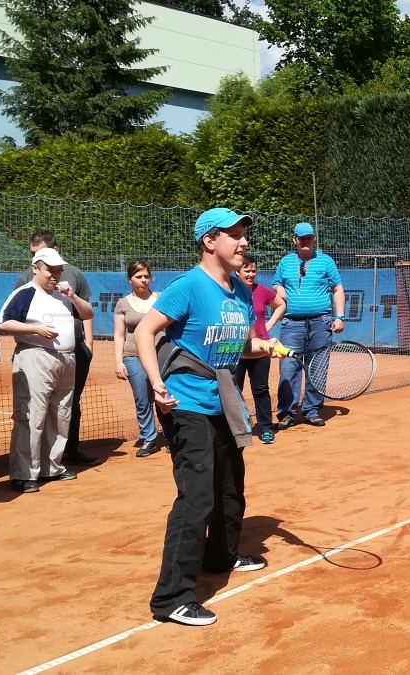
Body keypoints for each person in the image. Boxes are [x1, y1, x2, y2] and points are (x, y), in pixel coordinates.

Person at [134, 208, 287, 627]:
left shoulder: (240, 292)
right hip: (185, 404)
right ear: (209, 241)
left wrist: (265, 346)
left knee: (230, 487)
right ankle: (171, 597)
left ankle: (221, 555)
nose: (243, 242)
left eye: (244, 235)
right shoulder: (188, 286)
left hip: (223, 401)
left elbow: (238, 347)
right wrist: (156, 382)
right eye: (233, 235)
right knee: (197, 496)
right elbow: (144, 332)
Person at [0, 248, 95, 493]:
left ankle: (51, 468)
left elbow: (88, 313)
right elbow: (2, 323)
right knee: (32, 416)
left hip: (66, 359)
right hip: (35, 357)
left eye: (58, 270)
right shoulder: (25, 293)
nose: (55, 275)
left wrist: (73, 297)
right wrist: (36, 329)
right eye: (49, 270)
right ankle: (23, 474)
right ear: (35, 269)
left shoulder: (63, 294)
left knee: (60, 415)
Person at [15, 230, 96, 466]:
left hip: (74, 351)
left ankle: (69, 450)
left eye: (40, 252)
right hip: (40, 354)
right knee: (38, 407)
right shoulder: (25, 278)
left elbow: (86, 310)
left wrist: (88, 344)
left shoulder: (74, 273)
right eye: (33, 253)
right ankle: (37, 459)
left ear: (56, 250)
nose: (35, 257)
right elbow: (12, 320)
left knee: (69, 403)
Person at [271, 223, 345, 429]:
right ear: (294, 239)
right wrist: (279, 289)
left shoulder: (326, 261)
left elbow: (337, 288)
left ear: (314, 239)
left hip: (321, 324)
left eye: (309, 237)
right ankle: (287, 412)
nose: (305, 241)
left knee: (318, 370)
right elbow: (276, 283)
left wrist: (340, 317)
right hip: (291, 325)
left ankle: (311, 410)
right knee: (288, 370)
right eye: (301, 238)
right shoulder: (286, 262)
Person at [234, 254, 286, 445]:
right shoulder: (229, 290)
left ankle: (266, 429)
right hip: (237, 350)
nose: (251, 274)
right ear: (237, 272)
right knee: (234, 391)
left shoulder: (261, 290)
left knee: (261, 390)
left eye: (254, 271)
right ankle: (238, 429)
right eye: (247, 271)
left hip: (261, 348)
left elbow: (281, 304)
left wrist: (269, 325)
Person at [114, 260, 163, 457]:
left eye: (146, 276)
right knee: (142, 399)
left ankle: (171, 435)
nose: (143, 280)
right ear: (129, 280)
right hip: (133, 356)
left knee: (165, 395)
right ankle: (149, 438)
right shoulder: (123, 304)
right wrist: (119, 361)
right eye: (138, 276)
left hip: (161, 354)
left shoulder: (161, 298)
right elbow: (119, 334)